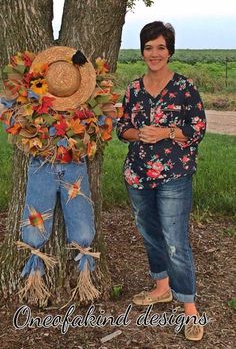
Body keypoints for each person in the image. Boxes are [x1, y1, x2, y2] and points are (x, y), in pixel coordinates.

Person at [0, 46, 117, 306]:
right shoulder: (30, 104)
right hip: (41, 163)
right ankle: (34, 282)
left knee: (81, 219)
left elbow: (109, 119)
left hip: (74, 165)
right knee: (36, 218)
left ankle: (85, 279)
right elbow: (7, 108)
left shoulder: (89, 112)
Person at [117, 21, 206, 341]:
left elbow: (197, 130)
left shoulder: (185, 87)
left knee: (175, 240)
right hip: (137, 174)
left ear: (170, 51)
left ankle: (191, 311)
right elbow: (121, 128)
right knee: (151, 233)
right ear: (142, 50)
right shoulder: (134, 89)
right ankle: (161, 287)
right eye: (148, 47)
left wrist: (166, 132)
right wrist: (137, 133)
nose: (154, 53)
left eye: (160, 47)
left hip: (174, 175)